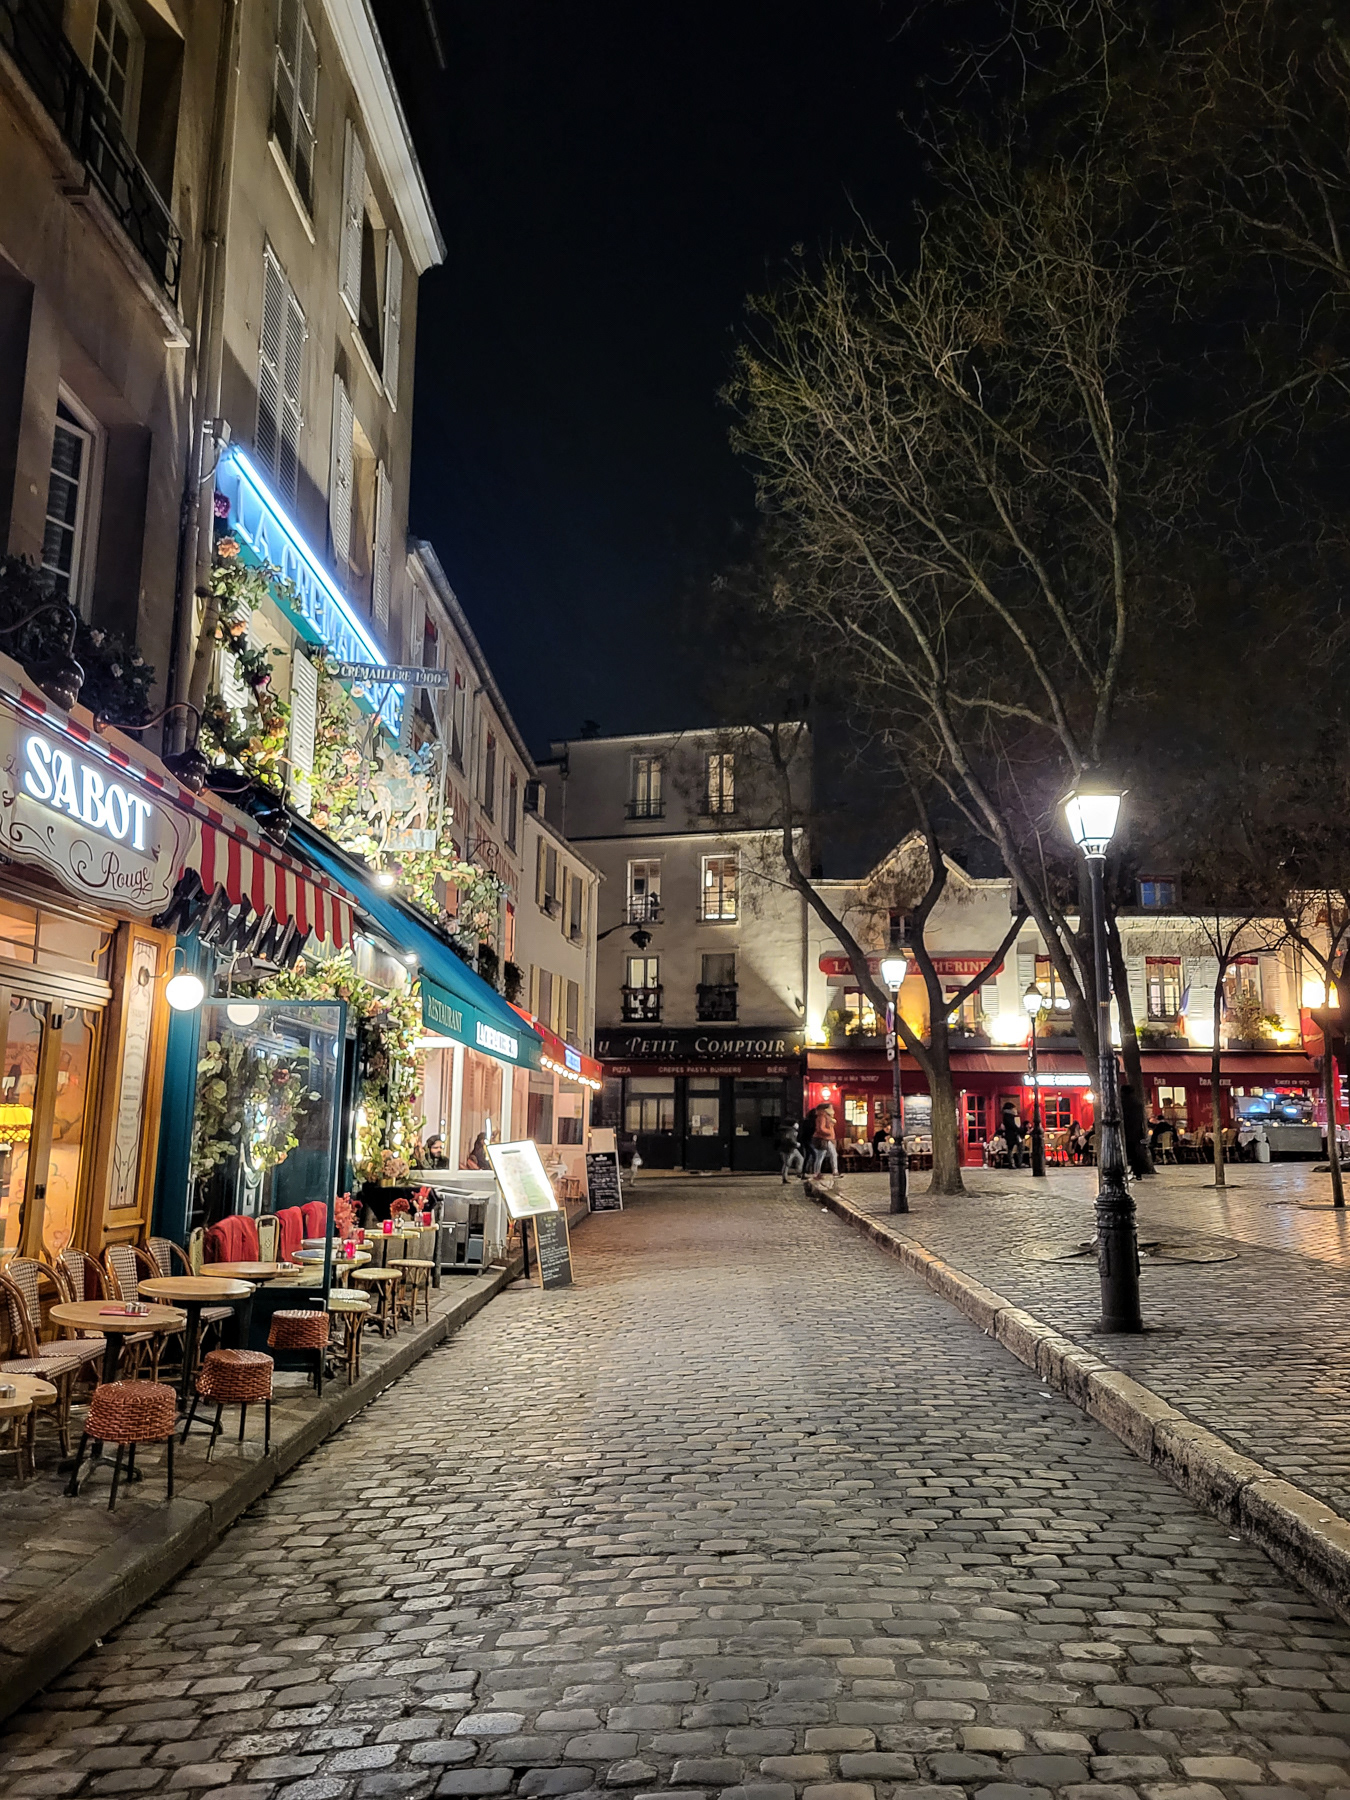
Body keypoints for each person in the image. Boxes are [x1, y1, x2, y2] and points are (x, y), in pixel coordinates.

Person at [809, 1103, 839, 1181]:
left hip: (827, 1138)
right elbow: (821, 1128)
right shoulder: (822, 1117)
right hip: (823, 1138)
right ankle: (817, 1173)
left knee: (832, 1154)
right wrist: (829, 1132)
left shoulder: (827, 1117)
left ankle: (834, 1171)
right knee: (821, 1155)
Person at [777, 1118, 805, 1183]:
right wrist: (795, 1143)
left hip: (791, 1148)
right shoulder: (790, 1130)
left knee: (800, 1159)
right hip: (788, 1149)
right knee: (787, 1163)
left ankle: (798, 1172)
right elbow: (788, 1139)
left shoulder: (788, 1130)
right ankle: (785, 1177)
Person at [1001, 1100, 1025, 1169]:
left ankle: (1015, 1163)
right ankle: (1014, 1163)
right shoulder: (1008, 1116)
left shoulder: (1008, 1116)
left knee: (1014, 1148)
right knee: (1012, 1149)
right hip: (1012, 1134)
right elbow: (1012, 1125)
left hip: (1013, 1134)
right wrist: (1020, 1130)